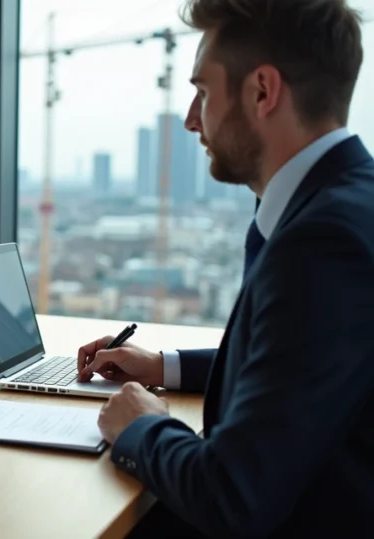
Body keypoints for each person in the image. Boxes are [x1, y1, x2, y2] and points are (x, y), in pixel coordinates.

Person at [76, 0, 374, 537]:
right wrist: (161, 366)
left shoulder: (323, 241)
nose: (193, 118)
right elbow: (292, 367)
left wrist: (143, 427)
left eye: (204, 92)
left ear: (263, 91)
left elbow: (233, 494)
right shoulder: (344, 204)